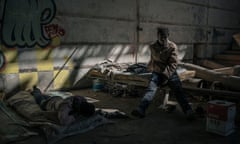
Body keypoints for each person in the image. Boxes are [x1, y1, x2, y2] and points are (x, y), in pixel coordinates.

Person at [131, 27, 194, 120]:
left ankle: (188, 111)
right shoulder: (152, 46)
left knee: (178, 89)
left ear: (168, 36)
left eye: (165, 36)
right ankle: (141, 109)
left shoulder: (172, 47)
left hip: (170, 72)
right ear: (158, 36)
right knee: (151, 89)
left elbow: (173, 64)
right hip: (157, 72)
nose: (163, 38)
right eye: (161, 36)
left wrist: (165, 76)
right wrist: (149, 67)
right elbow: (153, 59)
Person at [31, 86, 95, 125]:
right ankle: (35, 90)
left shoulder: (78, 99)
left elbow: (83, 101)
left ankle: (36, 90)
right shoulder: (65, 108)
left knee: (43, 96)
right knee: (38, 97)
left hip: (57, 99)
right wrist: (75, 116)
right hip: (47, 104)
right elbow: (63, 121)